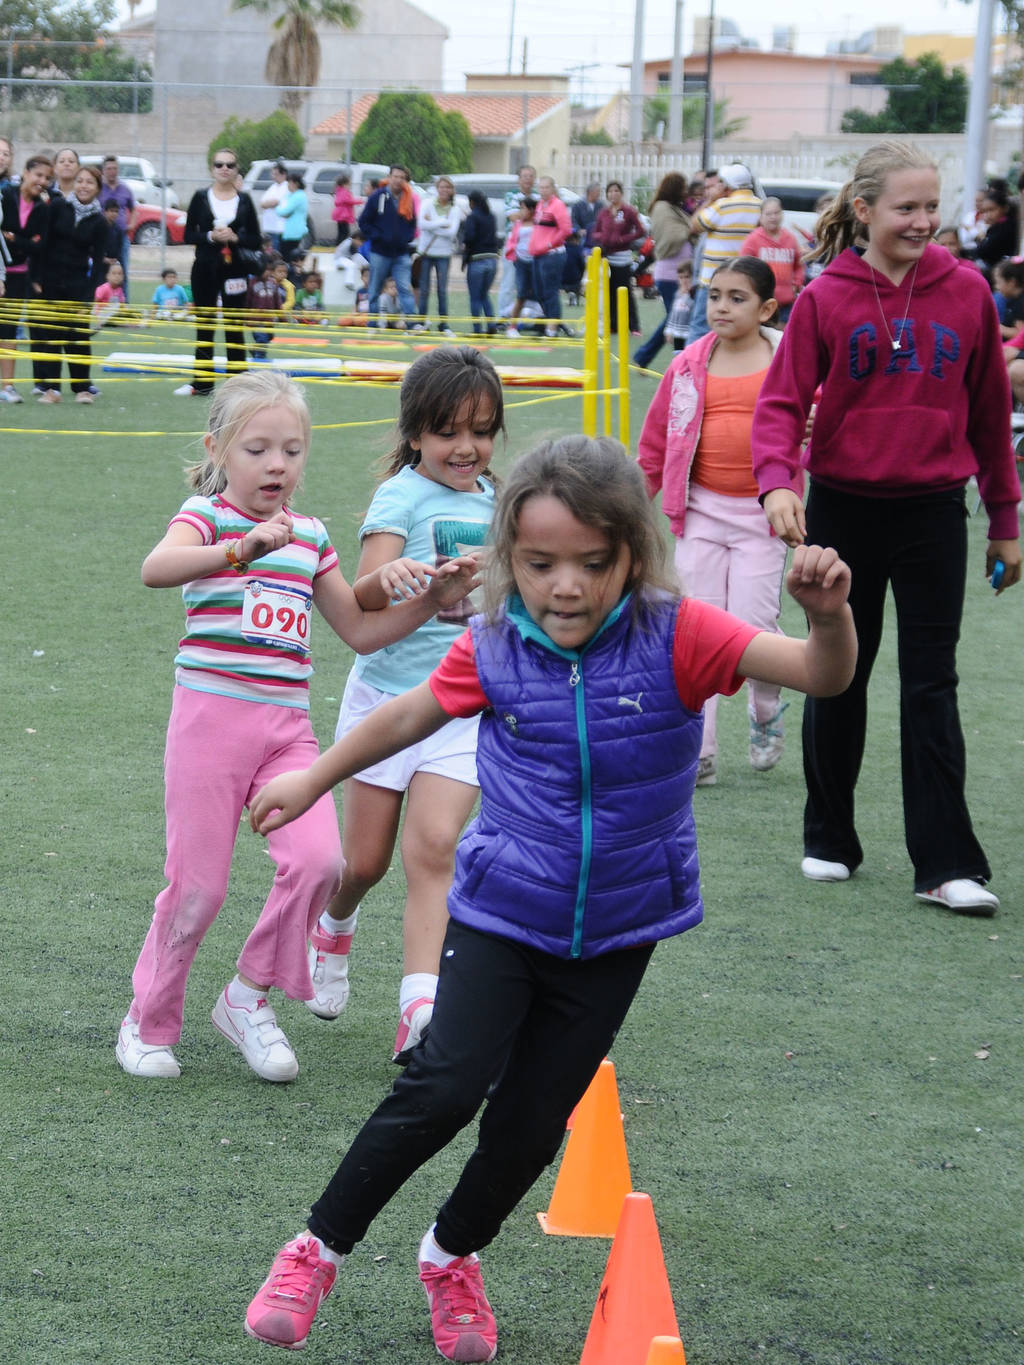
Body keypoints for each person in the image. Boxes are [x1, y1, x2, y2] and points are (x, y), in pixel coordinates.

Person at [242, 434, 856, 1364]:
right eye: (538, 563)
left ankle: (450, 1254)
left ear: (633, 556)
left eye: (591, 562)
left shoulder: (681, 632)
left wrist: (828, 619)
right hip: (500, 909)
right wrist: (317, 777)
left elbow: (822, 674)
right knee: (442, 1083)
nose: (564, 585)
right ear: (508, 559)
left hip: (619, 927)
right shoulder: (495, 642)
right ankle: (314, 1249)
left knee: (532, 1122)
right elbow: (408, 715)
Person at [114, 369, 481, 1083]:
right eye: (257, 449)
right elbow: (155, 569)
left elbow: (361, 631)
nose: (276, 464)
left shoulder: (311, 536)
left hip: (287, 733)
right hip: (208, 725)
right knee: (198, 889)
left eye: (291, 449)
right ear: (219, 448)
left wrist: (439, 597)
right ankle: (148, 1021)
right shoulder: (209, 518)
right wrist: (239, 550)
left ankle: (248, 997)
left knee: (321, 864)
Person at [752, 140, 1022, 913]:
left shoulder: (969, 291)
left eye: (932, 206)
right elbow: (779, 405)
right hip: (841, 509)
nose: (924, 221)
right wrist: (777, 485)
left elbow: (990, 417)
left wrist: (1004, 522)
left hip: (936, 511)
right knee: (840, 672)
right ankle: (829, 835)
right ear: (865, 210)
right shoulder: (825, 297)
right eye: (907, 207)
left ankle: (945, 862)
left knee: (933, 682)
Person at [305, 346, 501, 1060]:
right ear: (416, 433)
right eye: (450, 432)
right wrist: (400, 576)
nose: (466, 447)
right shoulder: (400, 498)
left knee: (436, 848)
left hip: (456, 708)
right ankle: (334, 924)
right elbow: (360, 596)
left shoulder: (498, 504)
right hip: (385, 702)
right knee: (363, 862)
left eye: (481, 431)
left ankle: (420, 1013)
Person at [639, 255, 792, 786]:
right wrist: (638, 496)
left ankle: (766, 707)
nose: (721, 307)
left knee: (753, 626)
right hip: (700, 511)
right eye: (715, 296)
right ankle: (697, 750)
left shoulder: (787, 360)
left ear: (768, 308)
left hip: (763, 517)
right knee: (698, 631)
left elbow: (819, 416)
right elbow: (658, 436)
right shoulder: (689, 362)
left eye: (737, 297)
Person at [175, 147, 261, 398]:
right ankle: (201, 384)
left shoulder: (244, 201)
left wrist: (235, 237)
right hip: (204, 267)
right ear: (212, 169)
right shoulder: (200, 197)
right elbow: (189, 234)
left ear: (237, 170)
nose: (224, 169)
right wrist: (210, 236)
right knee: (205, 326)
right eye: (219, 164)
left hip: (235, 269)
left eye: (230, 165)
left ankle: (240, 385)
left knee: (234, 325)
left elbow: (255, 239)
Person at [35, 162, 108, 404]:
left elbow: (98, 263)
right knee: (52, 337)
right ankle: (52, 390)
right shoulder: (57, 206)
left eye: (89, 182)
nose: (83, 186)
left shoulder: (99, 221)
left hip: (79, 287)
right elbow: (43, 244)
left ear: (97, 188)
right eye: (80, 181)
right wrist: (37, 279)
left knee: (78, 339)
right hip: (51, 283)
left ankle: (82, 388)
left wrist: (88, 297)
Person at [687, 162, 761, 344]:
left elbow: (695, 224)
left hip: (713, 277)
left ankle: (689, 369)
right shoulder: (759, 206)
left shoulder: (722, 205)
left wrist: (710, 200)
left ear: (728, 185)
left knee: (700, 327)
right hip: (745, 278)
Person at [0, 152, 51, 404]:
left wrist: (15, 240)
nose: (42, 181)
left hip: (19, 277)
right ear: (27, 172)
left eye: (47, 178)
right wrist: (24, 241)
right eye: (39, 175)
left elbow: (38, 245)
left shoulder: (42, 208)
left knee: (9, 331)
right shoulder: (6, 195)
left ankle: (7, 387)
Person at [633, 172, 692, 368]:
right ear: (674, 188)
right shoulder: (662, 209)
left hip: (681, 272)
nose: (685, 192)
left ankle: (645, 357)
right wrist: (693, 229)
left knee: (676, 317)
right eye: (682, 187)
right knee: (676, 318)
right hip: (669, 273)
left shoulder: (675, 209)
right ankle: (649, 356)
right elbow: (671, 236)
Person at [358, 164, 418, 325]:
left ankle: (412, 324)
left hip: (401, 253)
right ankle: (373, 323)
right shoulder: (377, 196)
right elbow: (364, 222)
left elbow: (412, 223)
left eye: (402, 177)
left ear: (406, 180)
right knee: (375, 288)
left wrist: (407, 237)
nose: (398, 180)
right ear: (389, 177)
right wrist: (377, 236)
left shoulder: (409, 199)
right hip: (379, 251)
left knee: (405, 288)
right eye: (395, 176)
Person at [592, 180, 645, 336]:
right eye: (610, 191)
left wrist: (624, 238)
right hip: (607, 257)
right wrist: (603, 237)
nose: (613, 194)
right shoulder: (604, 212)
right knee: (610, 293)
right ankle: (613, 325)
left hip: (623, 257)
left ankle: (634, 326)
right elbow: (595, 232)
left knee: (626, 291)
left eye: (616, 191)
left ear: (621, 193)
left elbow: (640, 231)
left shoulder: (628, 211)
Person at [740, 196, 804, 323]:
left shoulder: (790, 238)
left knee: (783, 339)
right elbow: (743, 268)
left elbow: (799, 265)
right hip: (762, 304)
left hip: (786, 304)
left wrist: (796, 284)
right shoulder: (753, 239)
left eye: (776, 213)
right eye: (768, 214)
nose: (773, 217)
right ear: (761, 216)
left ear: (782, 214)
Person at [417, 175, 462, 334]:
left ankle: (444, 325)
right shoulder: (427, 203)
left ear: (451, 190)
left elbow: (451, 232)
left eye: (447, 187)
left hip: (444, 254)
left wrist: (432, 224)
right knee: (424, 289)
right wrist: (442, 222)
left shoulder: (455, 209)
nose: (444, 190)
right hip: (426, 252)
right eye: (441, 187)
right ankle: (420, 322)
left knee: (442, 290)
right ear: (437, 188)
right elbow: (421, 224)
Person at [530, 175, 572, 337]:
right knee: (540, 291)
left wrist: (549, 244)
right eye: (540, 187)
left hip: (552, 255)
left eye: (546, 187)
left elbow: (566, 230)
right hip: (538, 254)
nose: (543, 191)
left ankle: (552, 328)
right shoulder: (540, 205)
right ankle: (550, 321)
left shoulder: (558, 205)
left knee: (550, 291)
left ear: (553, 189)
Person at [497, 164, 537, 317]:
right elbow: (512, 216)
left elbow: (542, 217)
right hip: (514, 246)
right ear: (519, 180)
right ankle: (503, 315)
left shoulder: (538, 196)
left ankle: (528, 315)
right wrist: (531, 215)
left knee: (530, 284)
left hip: (533, 247)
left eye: (531, 176)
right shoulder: (511, 195)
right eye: (525, 176)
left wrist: (524, 214)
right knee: (509, 282)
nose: (528, 179)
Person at [461, 189, 499, 335]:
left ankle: (477, 329)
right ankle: (491, 325)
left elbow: (469, 238)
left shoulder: (472, 217)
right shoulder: (492, 216)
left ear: (472, 202)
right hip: (492, 259)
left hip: (477, 259)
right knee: (484, 294)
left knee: (475, 297)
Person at [98, 155, 136, 301]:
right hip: (102, 236)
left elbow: (133, 209)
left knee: (122, 271)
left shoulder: (125, 189)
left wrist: (131, 224)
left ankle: (123, 305)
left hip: (121, 237)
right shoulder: (99, 189)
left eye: (114, 168)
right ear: (103, 171)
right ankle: (101, 303)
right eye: (109, 168)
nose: (112, 171)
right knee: (102, 270)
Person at [502, 196, 537, 337]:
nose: (521, 211)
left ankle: (550, 325)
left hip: (536, 261)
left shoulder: (538, 223)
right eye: (520, 208)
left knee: (542, 293)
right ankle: (512, 327)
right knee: (521, 294)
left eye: (524, 208)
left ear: (532, 209)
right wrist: (513, 254)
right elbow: (512, 240)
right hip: (521, 261)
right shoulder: (518, 224)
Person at [975, 181, 1019, 280]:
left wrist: (981, 240)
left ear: (1005, 208)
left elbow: (983, 251)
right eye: (985, 211)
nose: (988, 215)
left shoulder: (1006, 227)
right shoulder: (996, 226)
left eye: (992, 210)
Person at [246, 259, 285, 360]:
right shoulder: (251, 283)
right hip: (256, 319)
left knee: (269, 337)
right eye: (266, 269)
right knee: (262, 339)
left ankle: (255, 350)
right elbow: (247, 301)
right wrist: (246, 317)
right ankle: (260, 359)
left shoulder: (273, 283)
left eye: (270, 270)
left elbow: (277, 302)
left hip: (269, 319)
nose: (268, 272)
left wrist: (282, 317)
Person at [277, 171, 309, 273]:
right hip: (288, 231)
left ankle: (290, 278)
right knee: (286, 256)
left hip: (293, 232)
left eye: (289, 183)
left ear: (296, 183)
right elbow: (284, 208)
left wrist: (278, 208)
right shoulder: (291, 195)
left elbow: (283, 211)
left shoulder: (298, 196)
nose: (288, 185)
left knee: (288, 258)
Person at [663, 259, 694, 349]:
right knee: (678, 357)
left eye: (687, 277)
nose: (684, 280)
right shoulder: (678, 293)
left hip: (689, 334)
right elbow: (673, 313)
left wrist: (689, 293)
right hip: (678, 333)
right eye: (681, 277)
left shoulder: (695, 294)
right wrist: (669, 330)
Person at [992, 257, 1024, 339]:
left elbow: (1020, 334)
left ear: (1011, 282)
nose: (997, 287)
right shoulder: (1013, 299)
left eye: (999, 282)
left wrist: (996, 327)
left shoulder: (1020, 303)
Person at [260, 162, 288, 253]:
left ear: (283, 174)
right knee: (268, 251)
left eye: (276, 174)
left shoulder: (286, 187)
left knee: (276, 253)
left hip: (278, 228)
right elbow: (262, 203)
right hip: (269, 226)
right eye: (272, 174)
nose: (273, 176)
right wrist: (268, 204)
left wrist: (268, 204)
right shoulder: (273, 187)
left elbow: (275, 202)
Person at [92, 259, 126, 328]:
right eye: (113, 273)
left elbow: (122, 305)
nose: (117, 276)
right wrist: (96, 315)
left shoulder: (120, 290)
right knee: (115, 307)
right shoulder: (104, 288)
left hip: (113, 314)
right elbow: (95, 302)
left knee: (120, 309)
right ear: (108, 276)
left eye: (120, 274)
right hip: (102, 314)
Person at [331, 171, 358, 246]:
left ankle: (339, 247)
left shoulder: (339, 191)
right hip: (343, 216)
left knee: (341, 233)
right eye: (349, 184)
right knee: (345, 233)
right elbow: (348, 200)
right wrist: (359, 201)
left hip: (341, 216)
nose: (349, 186)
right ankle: (341, 247)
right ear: (344, 184)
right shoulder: (344, 191)